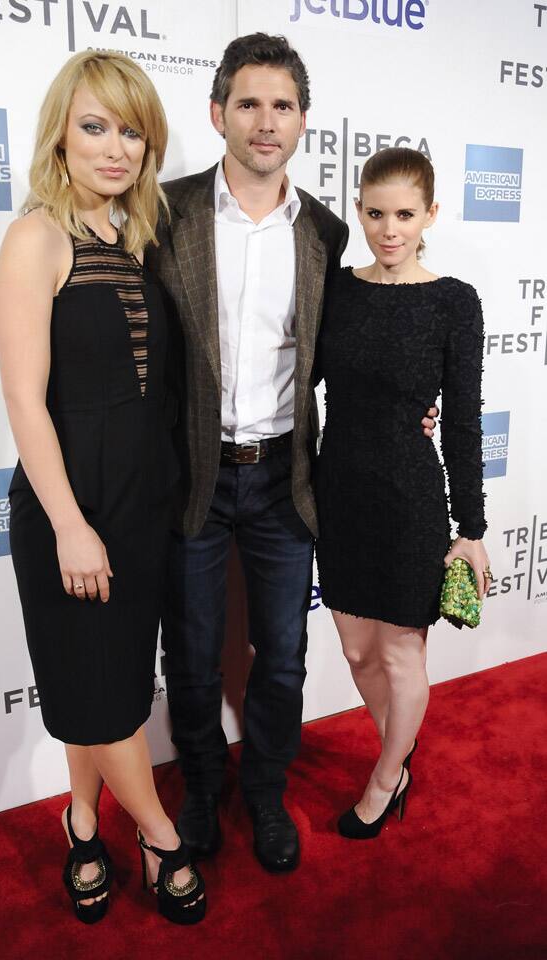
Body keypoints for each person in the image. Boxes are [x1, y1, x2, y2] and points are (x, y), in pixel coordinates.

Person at [150, 35, 439, 872]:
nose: (265, 121)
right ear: (218, 114)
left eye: (282, 106)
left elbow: (358, 340)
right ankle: (205, 789)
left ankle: (267, 795)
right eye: (248, 103)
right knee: (195, 655)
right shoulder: (164, 216)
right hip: (194, 477)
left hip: (286, 479)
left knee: (283, 655)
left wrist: (408, 414)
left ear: (304, 121)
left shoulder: (326, 229)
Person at [0, 51, 205, 925]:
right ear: (61, 134)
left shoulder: (137, 236)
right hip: (66, 510)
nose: (115, 147)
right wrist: (71, 526)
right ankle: (158, 833)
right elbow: (22, 399)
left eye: (131, 130)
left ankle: (83, 820)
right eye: (95, 125)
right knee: (105, 693)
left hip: (142, 505)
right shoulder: (36, 236)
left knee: (104, 683)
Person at [314, 147, 492, 839]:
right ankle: (400, 749)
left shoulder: (454, 302)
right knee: (358, 651)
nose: (390, 229)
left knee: (400, 653)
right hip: (339, 492)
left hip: (410, 499)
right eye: (376, 213)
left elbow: (466, 420)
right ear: (359, 211)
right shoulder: (338, 291)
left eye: (406, 215)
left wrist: (469, 526)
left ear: (431, 215)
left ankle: (387, 777)